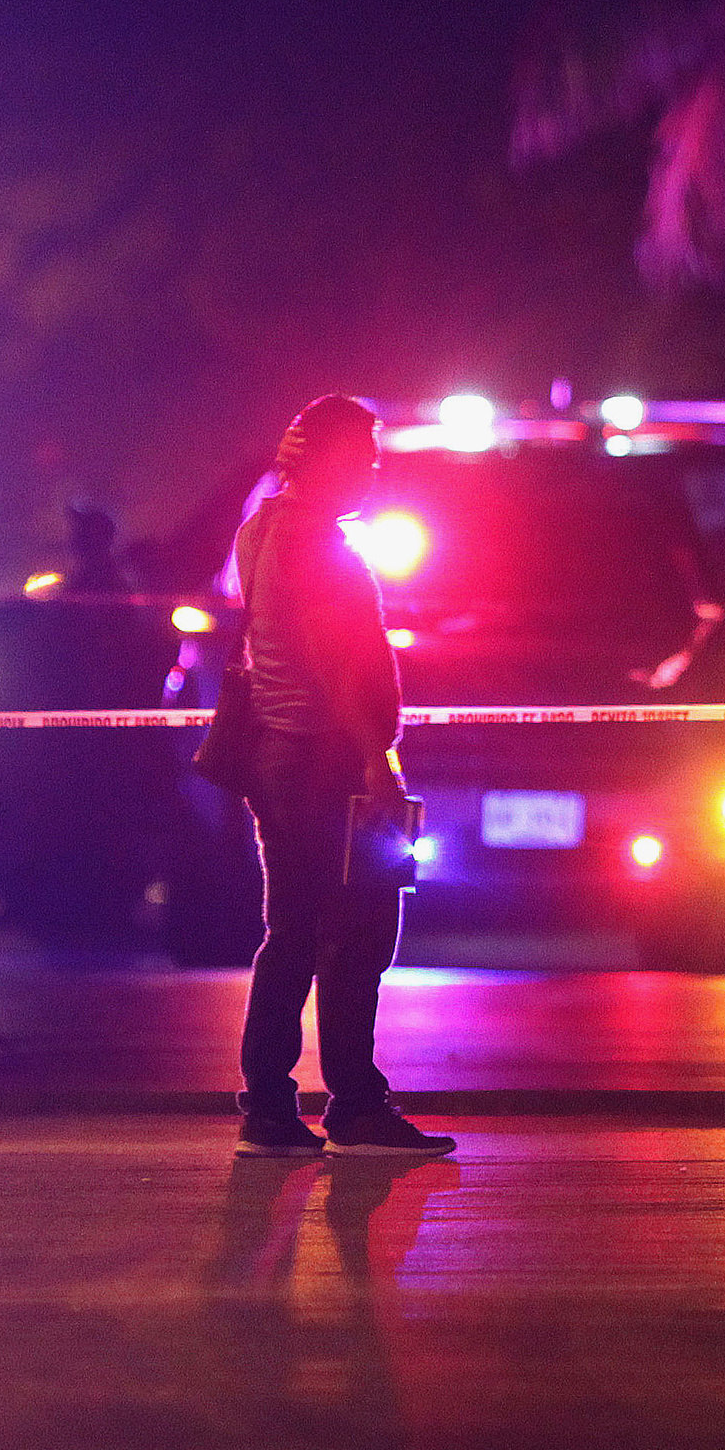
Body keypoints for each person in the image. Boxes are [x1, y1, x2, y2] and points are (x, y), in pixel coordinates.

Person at [230, 396, 454, 1159]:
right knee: (360, 930)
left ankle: (268, 1103)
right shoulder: (315, 544)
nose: (372, 472)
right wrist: (376, 758)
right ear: (324, 458)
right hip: (324, 760)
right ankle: (354, 1103)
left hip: (277, 755)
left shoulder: (261, 527)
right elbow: (335, 662)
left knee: (291, 929)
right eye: (361, 458)